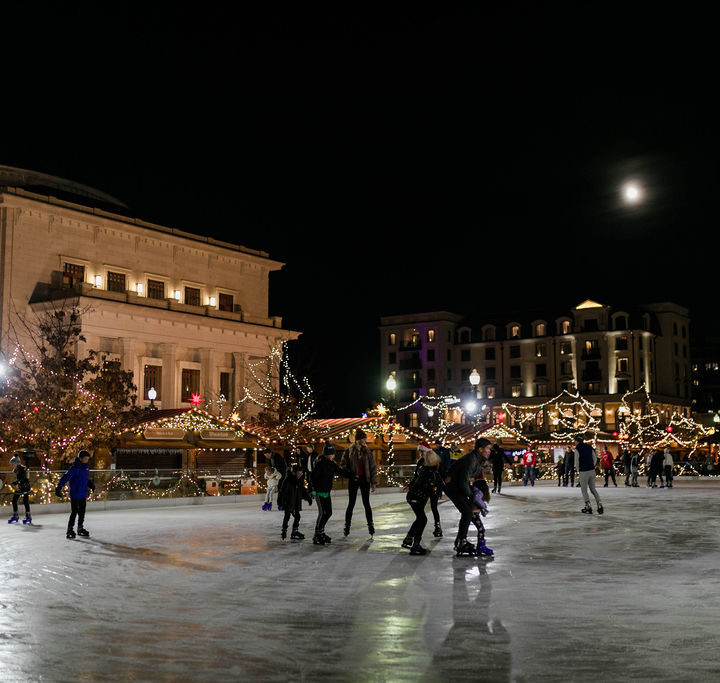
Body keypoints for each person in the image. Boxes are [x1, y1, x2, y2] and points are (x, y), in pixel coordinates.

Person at [443, 437, 493, 555]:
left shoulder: (478, 459)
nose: (489, 451)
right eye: (487, 449)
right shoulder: (472, 459)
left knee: (467, 512)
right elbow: (463, 480)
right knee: (467, 512)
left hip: (457, 485)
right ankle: (461, 541)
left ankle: (460, 541)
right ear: (480, 449)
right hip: (453, 486)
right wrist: (471, 495)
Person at [402, 446, 443, 555]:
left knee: (420, 519)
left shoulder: (428, 471)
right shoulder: (429, 473)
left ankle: (409, 538)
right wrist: (434, 489)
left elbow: (439, 484)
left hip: (414, 497)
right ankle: (415, 545)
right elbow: (424, 485)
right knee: (422, 519)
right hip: (416, 498)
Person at [310, 441, 350, 545]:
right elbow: (312, 477)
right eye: (332, 454)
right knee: (323, 513)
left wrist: (353, 476)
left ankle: (321, 532)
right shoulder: (319, 463)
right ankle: (317, 534)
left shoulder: (331, 464)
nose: (333, 456)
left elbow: (340, 472)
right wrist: (313, 489)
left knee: (328, 512)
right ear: (327, 454)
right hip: (319, 492)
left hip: (326, 491)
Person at [340, 429, 377, 537]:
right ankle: (347, 526)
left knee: (367, 504)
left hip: (364, 480)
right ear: (359, 440)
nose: (365, 441)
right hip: (354, 480)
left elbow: (372, 467)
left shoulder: (367, 451)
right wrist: (350, 474)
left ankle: (371, 525)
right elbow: (343, 465)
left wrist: (373, 482)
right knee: (351, 503)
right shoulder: (349, 451)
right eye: (364, 439)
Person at [55, 450, 95, 538]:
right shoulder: (75, 468)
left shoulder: (85, 468)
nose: (87, 460)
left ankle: (80, 528)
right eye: (85, 459)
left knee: (82, 512)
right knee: (74, 512)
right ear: (80, 459)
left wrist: (90, 484)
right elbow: (65, 477)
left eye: (88, 459)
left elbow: (85, 479)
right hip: (75, 494)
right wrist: (59, 487)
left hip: (83, 494)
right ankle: (69, 530)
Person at [277, 464, 312, 540]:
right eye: (299, 473)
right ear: (294, 473)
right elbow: (282, 492)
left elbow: (303, 491)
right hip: (288, 503)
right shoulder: (288, 481)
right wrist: (280, 502)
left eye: (301, 473)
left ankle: (294, 532)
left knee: (297, 517)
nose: (301, 475)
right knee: (287, 516)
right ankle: (284, 530)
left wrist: (308, 498)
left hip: (296, 502)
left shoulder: (299, 481)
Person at [416, 442, 443, 537]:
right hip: (423, 488)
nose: (420, 453)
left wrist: (439, 488)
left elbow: (440, 475)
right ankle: (419, 526)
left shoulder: (434, 460)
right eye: (420, 451)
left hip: (433, 487)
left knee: (434, 507)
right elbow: (416, 475)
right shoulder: (420, 461)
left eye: (422, 451)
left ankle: (438, 526)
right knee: (421, 508)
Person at [573, 436, 603, 515]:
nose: (574, 442)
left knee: (584, 490)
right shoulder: (589, 447)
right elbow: (595, 458)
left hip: (583, 471)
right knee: (593, 489)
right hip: (591, 471)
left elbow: (576, 461)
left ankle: (588, 506)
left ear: (577, 441)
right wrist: (592, 465)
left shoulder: (577, 449)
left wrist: (579, 470)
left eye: (575, 440)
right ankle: (599, 504)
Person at [469, 478, 493, 556]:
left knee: (480, 529)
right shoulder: (478, 492)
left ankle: (480, 545)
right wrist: (483, 507)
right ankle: (481, 545)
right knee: (481, 529)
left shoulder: (474, 491)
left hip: (472, 513)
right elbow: (477, 500)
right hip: (473, 514)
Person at [8, 453, 32, 525]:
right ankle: (17, 515)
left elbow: (22, 479)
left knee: (24, 501)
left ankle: (27, 516)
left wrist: (15, 483)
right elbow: (19, 480)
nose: (12, 465)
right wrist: (14, 483)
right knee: (15, 500)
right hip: (21, 486)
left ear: (16, 463)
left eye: (12, 464)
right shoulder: (18, 469)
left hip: (24, 486)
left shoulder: (21, 470)